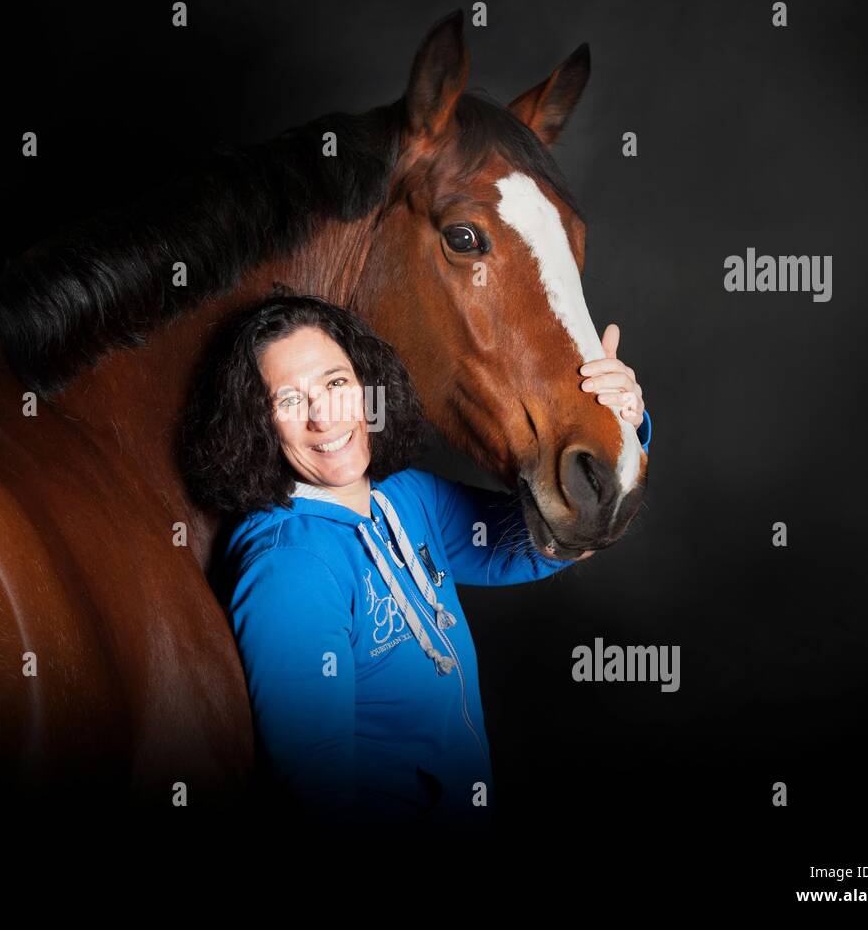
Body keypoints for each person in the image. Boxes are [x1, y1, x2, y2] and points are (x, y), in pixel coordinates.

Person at [181, 289, 651, 833]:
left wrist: (617, 430)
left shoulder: (403, 496)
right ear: (257, 424)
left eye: (336, 383)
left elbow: (552, 541)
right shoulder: (290, 567)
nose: (324, 418)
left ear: (365, 387)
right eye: (288, 401)